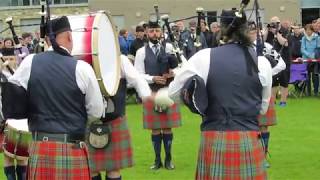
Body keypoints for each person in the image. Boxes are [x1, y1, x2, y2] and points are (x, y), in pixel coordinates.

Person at [168, 9, 272, 179]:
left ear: (221, 29)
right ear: (246, 29)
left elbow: (173, 95)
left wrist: (185, 78)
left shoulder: (203, 57)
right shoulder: (262, 62)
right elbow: (262, 109)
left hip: (214, 137)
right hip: (249, 137)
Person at [7, 16, 104, 179]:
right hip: (72, 147)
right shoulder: (82, 68)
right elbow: (96, 111)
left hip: (41, 148)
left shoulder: (30, 62)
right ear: (70, 36)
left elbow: (12, 95)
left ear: (46, 40)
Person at [89, 55, 151, 180]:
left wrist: (147, 96)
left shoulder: (119, 59)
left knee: (108, 168)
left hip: (110, 120)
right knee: (92, 168)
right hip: (91, 120)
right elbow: (136, 79)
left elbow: (136, 79)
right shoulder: (85, 57)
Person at [134, 20, 180, 170]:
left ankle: (168, 159)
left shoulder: (169, 47)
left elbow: (181, 66)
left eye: (157, 31)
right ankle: (157, 160)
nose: (155, 33)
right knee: (155, 128)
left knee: (167, 128)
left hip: (167, 91)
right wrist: (152, 78)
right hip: (151, 92)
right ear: (147, 33)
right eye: (152, 31)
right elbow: (138, 74)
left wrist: (174, 73)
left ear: (161, 32)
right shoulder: (141, 52)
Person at [248, 21, 286, 168]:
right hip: (246, 91)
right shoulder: (241, 48)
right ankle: (251, 156)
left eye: (253, 30)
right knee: (248, 125)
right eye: (249, 30)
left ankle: (263, 157)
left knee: (263, 126)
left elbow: (281, 64)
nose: (252, 33)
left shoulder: (266, 47)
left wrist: (267, 74)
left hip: (263, 90)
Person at [264, 16, 291, 107]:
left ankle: (283, 102)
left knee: (284, 82)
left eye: (275, 23)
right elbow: (263, 40)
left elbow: (284, 43)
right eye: (272, 23)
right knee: (273, 83)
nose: (274, 25)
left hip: (284, 60)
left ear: (279, 23)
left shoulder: (285, 31)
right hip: (272, 61)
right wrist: (267, 30)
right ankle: (273, 101)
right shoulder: (269, 32)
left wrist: (277, 33)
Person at [301, 24, 319, 96]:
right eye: (306, 30)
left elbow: (318, 48)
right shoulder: (303, 38)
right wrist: (309, 55)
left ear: (312, 30)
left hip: (315, 60)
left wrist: (313, 56)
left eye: (309, 30)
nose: (308, 31)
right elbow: (302, 49)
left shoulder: (317, 38)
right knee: (307, 76)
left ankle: (316, 92)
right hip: (306, 60)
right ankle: (308, 92)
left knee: (315, 76)